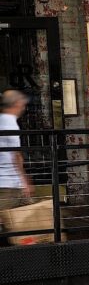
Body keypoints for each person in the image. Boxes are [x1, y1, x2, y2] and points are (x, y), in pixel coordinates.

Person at [0, 90, 34, 219]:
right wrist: (25, 181)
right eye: (22, 104)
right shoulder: (10, 122)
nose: (24, 107)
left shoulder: (2, 119)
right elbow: (16, 155)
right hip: (9, 183)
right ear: (16, 103)